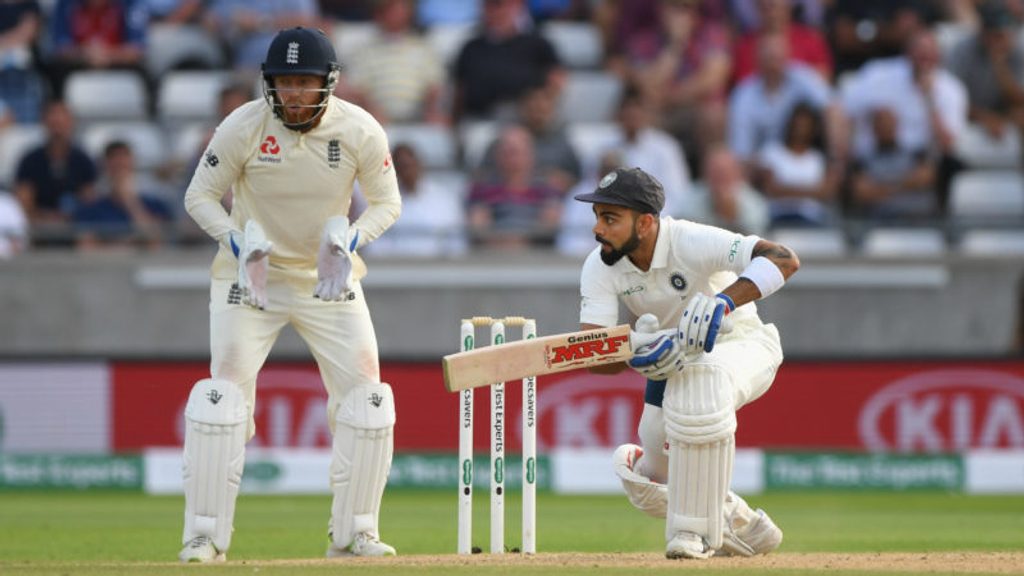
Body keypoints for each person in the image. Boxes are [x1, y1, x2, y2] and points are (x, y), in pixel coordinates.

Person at [179, 27, 401, 563]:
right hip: (250, 279)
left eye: (305, 82)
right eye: (284, 82)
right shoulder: (244, 125)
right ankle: (204, 536)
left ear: (327, 83)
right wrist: (235, 239)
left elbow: (386, 204)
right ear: (269, 84)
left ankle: (354, 534)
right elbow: (199, 196)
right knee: (222, 401)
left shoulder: (360, 130)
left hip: (327, 279)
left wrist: (351, 239)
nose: (294, 94)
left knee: (368, 399)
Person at [573, 166, 799, 559]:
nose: (598, 229)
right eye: (597, 217)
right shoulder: (600, 265)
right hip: (671, 365)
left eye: (610, 219)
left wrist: (722, 301)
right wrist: (635, 349)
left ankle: (691, 534)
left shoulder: (689, 239)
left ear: (645, 222)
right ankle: (742, 523)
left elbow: (783, 258)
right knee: (650, 482)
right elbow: (595, 355)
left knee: (702, 384)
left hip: (741, 344)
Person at [73, 140, 174, 249]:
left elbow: (156, 243)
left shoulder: (156, 205)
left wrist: (130, 201)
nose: (120, 164)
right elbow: (86, 248)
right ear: (105, 167)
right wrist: (131, 244)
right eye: (114, 161)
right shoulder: (90, 209)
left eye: (124, 160)